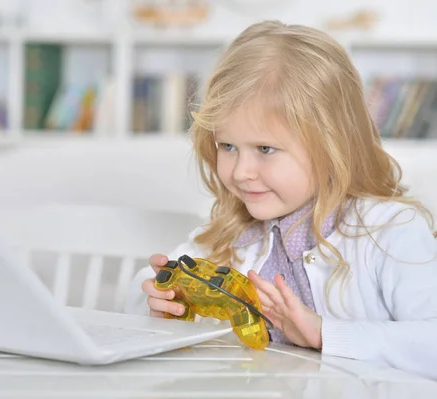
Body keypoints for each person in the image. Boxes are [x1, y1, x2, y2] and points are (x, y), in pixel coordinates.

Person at [123, 20, 437, 380]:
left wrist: (324, 334)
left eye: (265, 149)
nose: (241, 171)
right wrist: (159, 302)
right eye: (227, 146)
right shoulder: (237, 233)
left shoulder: (390, 230)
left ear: (333, 145)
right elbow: (140, 288)